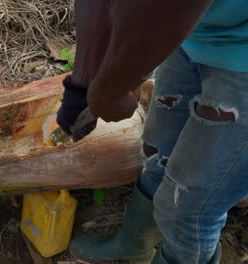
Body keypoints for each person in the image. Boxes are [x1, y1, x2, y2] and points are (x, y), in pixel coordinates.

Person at [56, 0, 248, 263]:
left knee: (189, 211)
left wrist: (110, 90)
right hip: (192, 33)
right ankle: (134, 246)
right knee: (155, 154)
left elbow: (174, 7)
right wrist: (81, 86)